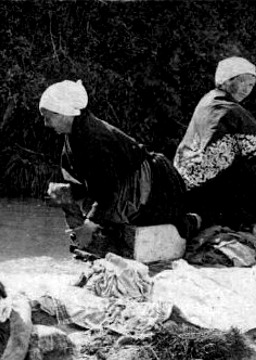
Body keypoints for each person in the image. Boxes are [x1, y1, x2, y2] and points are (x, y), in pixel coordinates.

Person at [39, 79, 187, 258]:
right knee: (68, 197)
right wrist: (66, 191)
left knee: (177, 222)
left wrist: (89, 225)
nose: (46, 124)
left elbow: (108, 191)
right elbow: (89, 184)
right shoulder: (73, 135)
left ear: (64, 113)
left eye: (48, 118)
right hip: (127, 183)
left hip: (155, 185)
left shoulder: (94, 139)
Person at [174, 56, 256, 233]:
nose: (246, 89)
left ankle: (202, 217)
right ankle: (212, 220)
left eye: (250, 85)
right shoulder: (231, 109)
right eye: (242, 82)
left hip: (184, 183)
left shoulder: (208, 100)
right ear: (227, 81)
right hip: (205, 187)